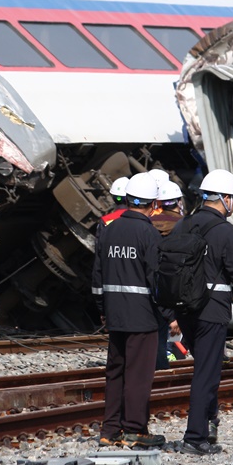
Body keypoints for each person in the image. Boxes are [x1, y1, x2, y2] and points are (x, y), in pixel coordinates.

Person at [170, 169, 233, 456]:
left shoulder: (183, 225)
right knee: (207, 374)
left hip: (185, 308)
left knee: (205, 366)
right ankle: (195, 436)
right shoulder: (225, 230)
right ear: (224, 199)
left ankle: (209, 424)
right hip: (212, 310)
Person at [91, 172, 166, 449]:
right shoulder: (149, 233)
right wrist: (167, 314)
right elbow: (156, 279)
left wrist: (102, 308)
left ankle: (109, 429)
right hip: (142, 317)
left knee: (115, 372)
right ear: (152, 204)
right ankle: (135, 429)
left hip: (114, 314)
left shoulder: (109, 230)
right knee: (138, 375)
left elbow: (97, 276)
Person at [151, 179, 185, 369]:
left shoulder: (149, 223)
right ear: (178, 201)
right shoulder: (185, 224)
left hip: (152, 285)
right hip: (174, 287)